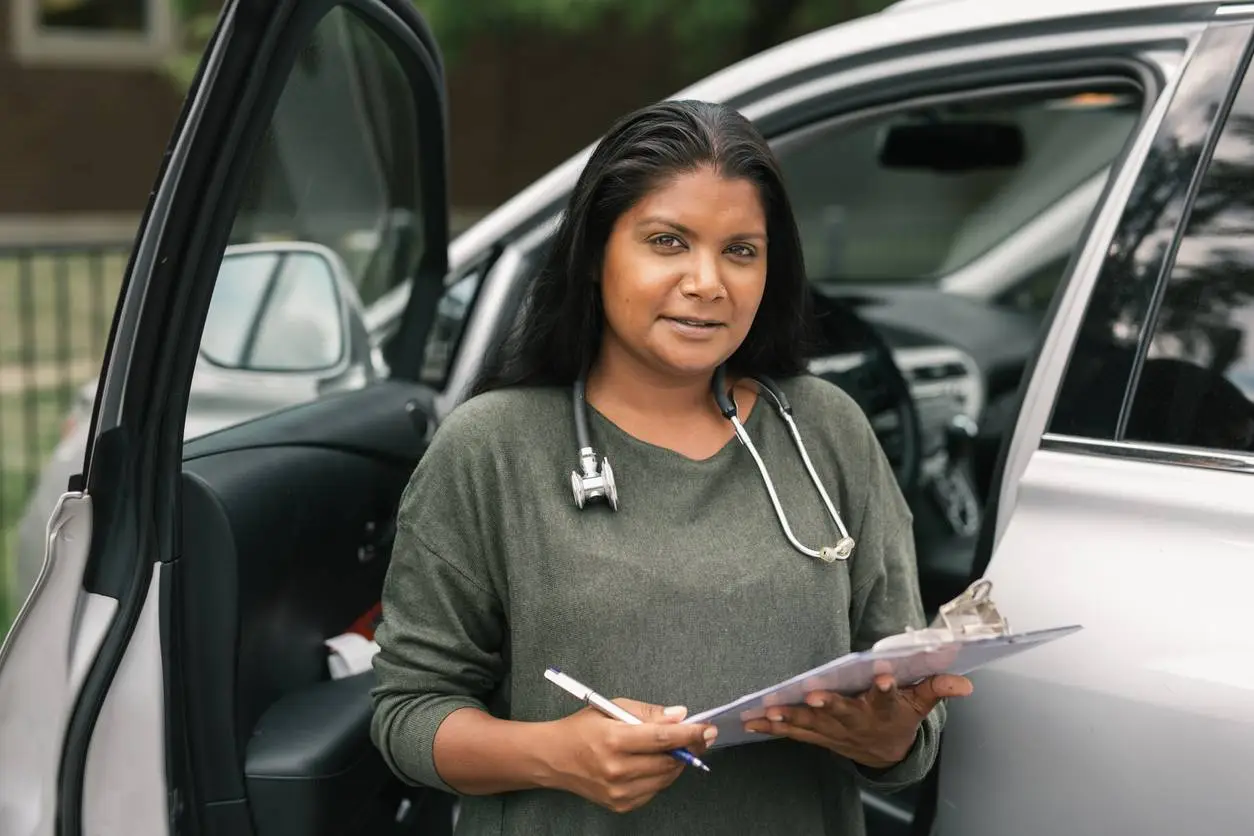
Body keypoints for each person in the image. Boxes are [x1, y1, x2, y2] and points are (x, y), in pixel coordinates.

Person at [369, 99, 974, 835]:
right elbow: (408, 714)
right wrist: (552, 754)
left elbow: (905, 709)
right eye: (667, 242)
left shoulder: (826, 430)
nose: (708, 282)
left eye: (741, 251)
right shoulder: (491, 447)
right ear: (594, 256)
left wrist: (891, 740)